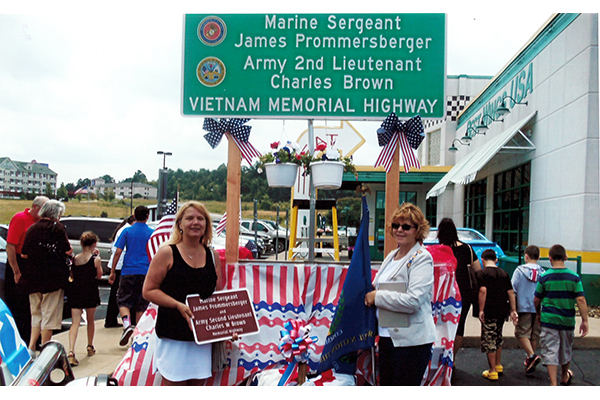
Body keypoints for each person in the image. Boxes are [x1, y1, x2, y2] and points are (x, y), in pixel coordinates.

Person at [142, 201, 227, 386]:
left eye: (200, 218)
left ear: (206, 224)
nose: (195, 222)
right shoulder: (167, 252)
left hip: (201, 339)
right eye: (190, 218)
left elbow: (217, 297)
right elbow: (148, 291)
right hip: (173, 337)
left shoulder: (212, 256)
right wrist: (178, 305)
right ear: (180, 223)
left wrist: (227, 325)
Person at [364, 203, 436, 386]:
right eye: (396, 225)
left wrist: (377, 297)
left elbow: (414, 300)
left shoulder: (422, 258)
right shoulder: (391, 256)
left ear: (418, 230)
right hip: (388, 338)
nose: (399, 230)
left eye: (406, 226)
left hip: (411, 343)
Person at [20, 199, 72, 351]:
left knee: (36, 315)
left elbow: (24, 254)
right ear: (56, 214)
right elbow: (67, 251)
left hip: (32, 277)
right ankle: (45, 348)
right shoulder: (57, 228)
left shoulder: (32, 228)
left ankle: (31, 347)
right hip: (53, 279)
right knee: (49, 316)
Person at [534, 244, 589, 386]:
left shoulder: (544, 277)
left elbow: (536, 299)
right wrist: (585, 320)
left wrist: (538, 314)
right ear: (566, 257)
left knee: (551, 350)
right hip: (567, 320)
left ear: (550, 258)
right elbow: (581, 299)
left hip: (549, 320)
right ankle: (564, 376)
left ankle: (553, 383)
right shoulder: (574, 277)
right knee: (565, 350)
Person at [4, 196, 49, 343]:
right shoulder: (20, 219)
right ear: (35, 207)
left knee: (32, 306)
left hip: (33, 264)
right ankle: (19, 338)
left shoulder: (40, 222)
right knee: (18, 304)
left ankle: (32, 339)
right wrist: (16, 271)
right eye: (42, 210)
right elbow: (10, 246)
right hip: (18, 262)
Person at [108, 205, 154, 347]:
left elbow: (118, 251)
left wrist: (112, 271)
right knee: (141, 304)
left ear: (134, 215)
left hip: (128, 270)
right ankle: (137, 335)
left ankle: (126, 324)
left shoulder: (127, 231)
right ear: (147, 216)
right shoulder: (152, 233)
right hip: (145, 271)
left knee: (123, 300)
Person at [435, 217, 481, 356]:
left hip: (444, 293)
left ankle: (442, 358)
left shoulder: (439, 250)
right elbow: (478, 270)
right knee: (459, 327)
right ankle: (452, 359)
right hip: (463, 293)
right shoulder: (467, 248)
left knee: (442, 327)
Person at [477, 249, 518, 381]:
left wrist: (481, 309)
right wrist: (513, 310)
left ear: (482, 260)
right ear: (496, 260)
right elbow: (511, 292)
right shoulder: (504, 273)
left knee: (489, 339)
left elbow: (483, 291)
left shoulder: (482, 273)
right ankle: (498, 365)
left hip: (489, 310)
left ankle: (492, 370)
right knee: (498, 337)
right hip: (502, 310)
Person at [66, 231, 103, 366]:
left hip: (76, 291)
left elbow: (72, 274)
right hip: (90, 291)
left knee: (75, 322)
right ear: (94, 244)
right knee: (91, 320)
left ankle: (71, 351)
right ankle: (90, 345)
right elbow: (99, 276)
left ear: (81, 243)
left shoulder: (75, 258)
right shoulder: (95, 260)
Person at [511, 245, 545, 374]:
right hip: (538, 307)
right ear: (539, 257)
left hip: (523, 306)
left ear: (526, 256)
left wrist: (513, 308)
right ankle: (530, 358)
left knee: (521, 332)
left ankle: (531, 355)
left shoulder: (520, 271)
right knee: (534, 334)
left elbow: (513, 288)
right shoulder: (543, 272)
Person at [104, 215, 135, 328]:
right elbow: (119, 251)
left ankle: (111, 319)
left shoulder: (123, 229)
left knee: (116, 294)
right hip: (120, 266)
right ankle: (111, 320)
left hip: (118, 265)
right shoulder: (126, 230)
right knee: (119, 294)